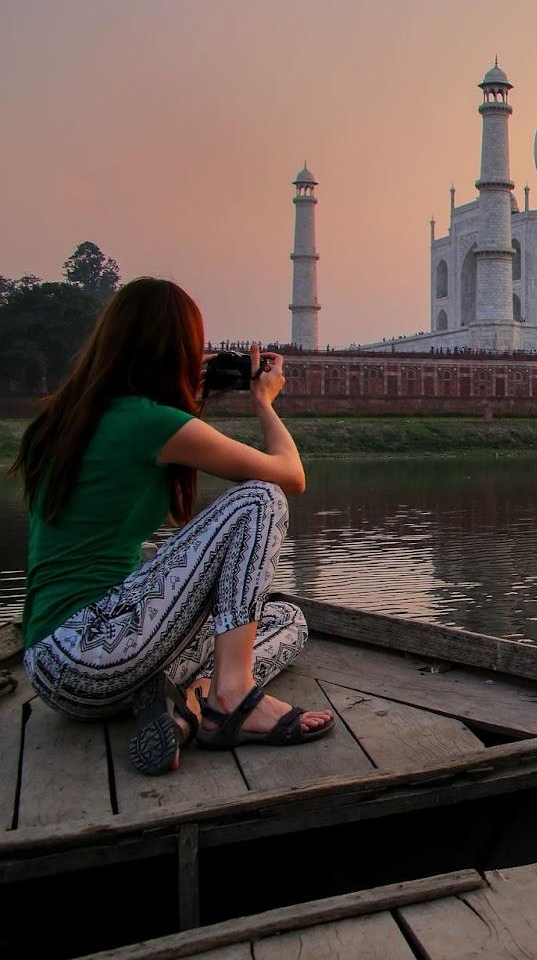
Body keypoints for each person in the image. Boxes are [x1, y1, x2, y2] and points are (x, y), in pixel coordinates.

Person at [9, 277, 334, 776]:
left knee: (287, 622)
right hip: (90, 651)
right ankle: (230, 696)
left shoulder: (64, 420)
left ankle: (181, 703)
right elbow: (291, 476)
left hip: (59, 667)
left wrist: (188, 398)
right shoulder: (149, 422)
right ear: (175, 348)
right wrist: (264, 401)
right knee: (259, 499)